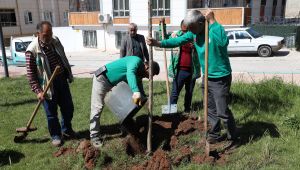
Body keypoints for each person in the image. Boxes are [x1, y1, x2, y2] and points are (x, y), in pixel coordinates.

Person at [146, 10, 238, 146]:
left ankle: (233, 137)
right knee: (210, 108)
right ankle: (214, 134)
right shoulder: (193, 34)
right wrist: (158, 43)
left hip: (220, 77)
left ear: (201, 23)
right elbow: (177, 40)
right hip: (207, 77)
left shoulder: (214, 29)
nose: (189, 30)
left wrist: (213, 21)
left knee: (222, 110)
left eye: (192, 27)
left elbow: (223, 43)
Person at [90, 56, 160, 147]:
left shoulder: (140, 74)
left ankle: (125, 125)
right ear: (147, 67)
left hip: (114, 84)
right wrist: (135, 91)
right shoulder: (136, 61)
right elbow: (130, 73)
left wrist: (145, 101)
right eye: (151, 74)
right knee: (97, 107)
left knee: (128, 104)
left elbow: (139, 89)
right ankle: (94, 135)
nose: (150, 77)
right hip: (102, 79)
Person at [26, 21, 75, 147]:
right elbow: (31, 74)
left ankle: (67, 130)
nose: (49, 37)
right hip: (47, 85)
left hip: (61, 80)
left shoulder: (55, 40)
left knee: (68, 108)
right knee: (51, 113)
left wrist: (67, 72)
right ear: (38, 34)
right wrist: (38, 91)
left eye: (51, 33)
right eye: (46, 35)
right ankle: (56, 136)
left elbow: (63, 57)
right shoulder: (32, 50)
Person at [159, 19, 201, 114]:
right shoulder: (176, 36)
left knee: (189, 93)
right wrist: (162, 26)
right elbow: (164, 38)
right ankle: (171, 112)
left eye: (186, 31)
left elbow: (203, 47)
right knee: (174, 93)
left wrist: (195, 46)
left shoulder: (194, 37)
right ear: (181, 28)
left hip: (192, 70)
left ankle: (187, 110)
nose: (184, 32)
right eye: (183, 30)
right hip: (179, 70)